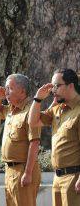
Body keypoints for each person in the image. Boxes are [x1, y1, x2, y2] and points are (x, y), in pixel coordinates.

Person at [28, 68, 80, 205]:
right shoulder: (57, 109)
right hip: (57, 177)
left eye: (57, 85)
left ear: (70, 85)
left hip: (74, 177)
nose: (52, 90)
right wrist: (38, 98)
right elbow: (33, 122)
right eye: (52, 86)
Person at [0, 74, 41, 206]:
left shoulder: (31, 110)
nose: (6, 92)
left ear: (22, 91)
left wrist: (28, 173)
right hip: (10, 170)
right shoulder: (11, 109)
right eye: (6, 88)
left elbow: (34, 143)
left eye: (10, 88)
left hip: (23, 169)